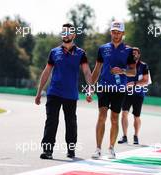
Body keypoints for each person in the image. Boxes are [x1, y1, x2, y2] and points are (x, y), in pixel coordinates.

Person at [35, 23, 92, 159]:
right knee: (51, 121)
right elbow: (46, 72)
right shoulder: (54, 52)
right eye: (64, 32)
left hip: (71, 95)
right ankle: (47, 150)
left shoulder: (80, 53)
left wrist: (90, 90)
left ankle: (71, 149)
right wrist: (39, 92)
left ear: (73, 35)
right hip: (54, 92)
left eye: (69, 32)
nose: (66, 34)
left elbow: (87, 72)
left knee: (71, 122)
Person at [91, 21, 136, 159]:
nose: (116, 34)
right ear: (111, 32)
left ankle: (111, 148)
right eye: (114, 32)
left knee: (115, 119)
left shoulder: (129, 51)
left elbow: (133, 72)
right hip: (104, 86)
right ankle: (98, 149)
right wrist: (90, 87)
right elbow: (97, 69)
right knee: (102, 116)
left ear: (123, 33)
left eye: (118, 32)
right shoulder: (103, 48)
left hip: (119, 88)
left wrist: (122, 71)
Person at [118, 47, 149, 145]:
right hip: (126, 93)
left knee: (136, 116)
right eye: (132, 53)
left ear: (139, 55)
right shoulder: (125, 64)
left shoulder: (144, 66)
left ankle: (136, 136)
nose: (134, 55)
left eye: (136, 53)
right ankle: (124, 136)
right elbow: (118, 76)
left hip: (139, 94)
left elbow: (146, 81)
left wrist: (134, 83)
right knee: (124, 113)